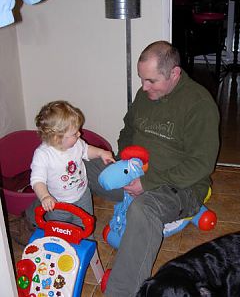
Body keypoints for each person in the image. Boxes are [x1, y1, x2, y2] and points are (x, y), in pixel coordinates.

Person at [85, 40, 220, 296]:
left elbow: (201, 164)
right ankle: (47, 219)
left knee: (143, 208)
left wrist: (146, 183)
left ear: (174, 74)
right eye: (141, 79)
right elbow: (128, 130)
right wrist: (123, 162)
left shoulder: (199, 105)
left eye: (151, 81)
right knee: (79, 165)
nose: (144, 87)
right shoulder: (144, 95)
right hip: (133, 175)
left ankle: (121, 292)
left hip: (181, 187)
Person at [25, 100, 115, 234]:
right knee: (60, 230)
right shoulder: (43, 154)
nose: (79, 134)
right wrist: (44, 196)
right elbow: (37, 180)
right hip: (57, 203)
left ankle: (85, 246)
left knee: (85, 227)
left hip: (82, 195)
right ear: (57, 138)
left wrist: (100, 153)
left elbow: (86, 150)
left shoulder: (77, 143)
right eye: (74, 133)